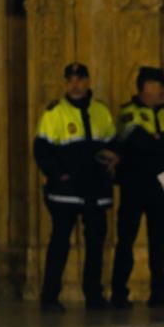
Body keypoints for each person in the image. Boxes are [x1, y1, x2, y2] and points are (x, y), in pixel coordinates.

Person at [34, 62, 119, 312]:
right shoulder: (54, 113)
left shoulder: (101, 111)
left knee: (95, 244)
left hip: (95, 190)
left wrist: (112, 158)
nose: (75, 83)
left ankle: (94, 295)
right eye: (70, 79)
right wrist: (59, 175)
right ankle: (50, 297)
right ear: (65, 82)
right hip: (66, 193)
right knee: (59, 243)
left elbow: (113, 144)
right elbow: (42, 151)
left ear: (88, 81)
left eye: (80, 78)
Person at [111, 66, 164, 309]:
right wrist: (160, 144)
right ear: (147, 86)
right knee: (126, 240)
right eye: (159, 85)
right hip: (134, 187)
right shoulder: (128, 113)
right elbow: (137, 145)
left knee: (159, 241)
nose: (162, 90)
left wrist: (157, 143)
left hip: (160, 189)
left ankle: (159, 291)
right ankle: (119, 292)